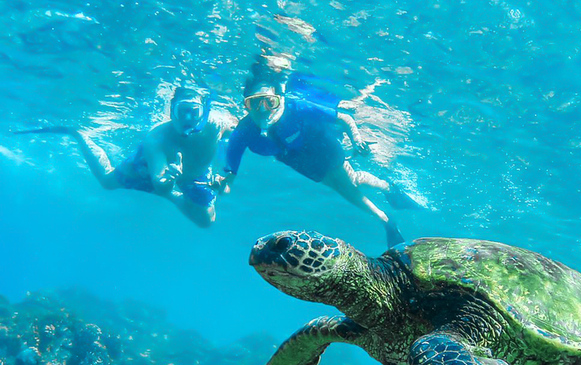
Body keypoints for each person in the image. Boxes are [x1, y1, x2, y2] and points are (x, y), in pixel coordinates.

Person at [218, 71, 420, 248]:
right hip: (296, 160)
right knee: (345, 185)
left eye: (269, 102)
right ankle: (387, 201)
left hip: (320, 145)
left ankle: (386, 212)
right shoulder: (243, 132)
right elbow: (230, 173)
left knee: (349, 184)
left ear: (279, 98)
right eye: (254, 103)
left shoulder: (296, 107)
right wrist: (223, 185)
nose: (263, 110)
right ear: (246, 105)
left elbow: (344, 117)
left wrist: (356, 140)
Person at [15, 87, 236, 227]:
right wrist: (168, 180)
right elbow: (159, 183)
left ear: (203, 113)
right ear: (171, 112)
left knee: (206, 221)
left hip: (193, 175)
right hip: (150, 168)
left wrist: (227, 174)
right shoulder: (156, 138)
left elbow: (240, 128)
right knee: (107, 182)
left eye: (194, 111)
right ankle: (78, 134)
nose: (188, 118)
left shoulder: (216, 124)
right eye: (181, 111)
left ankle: (175, 196)